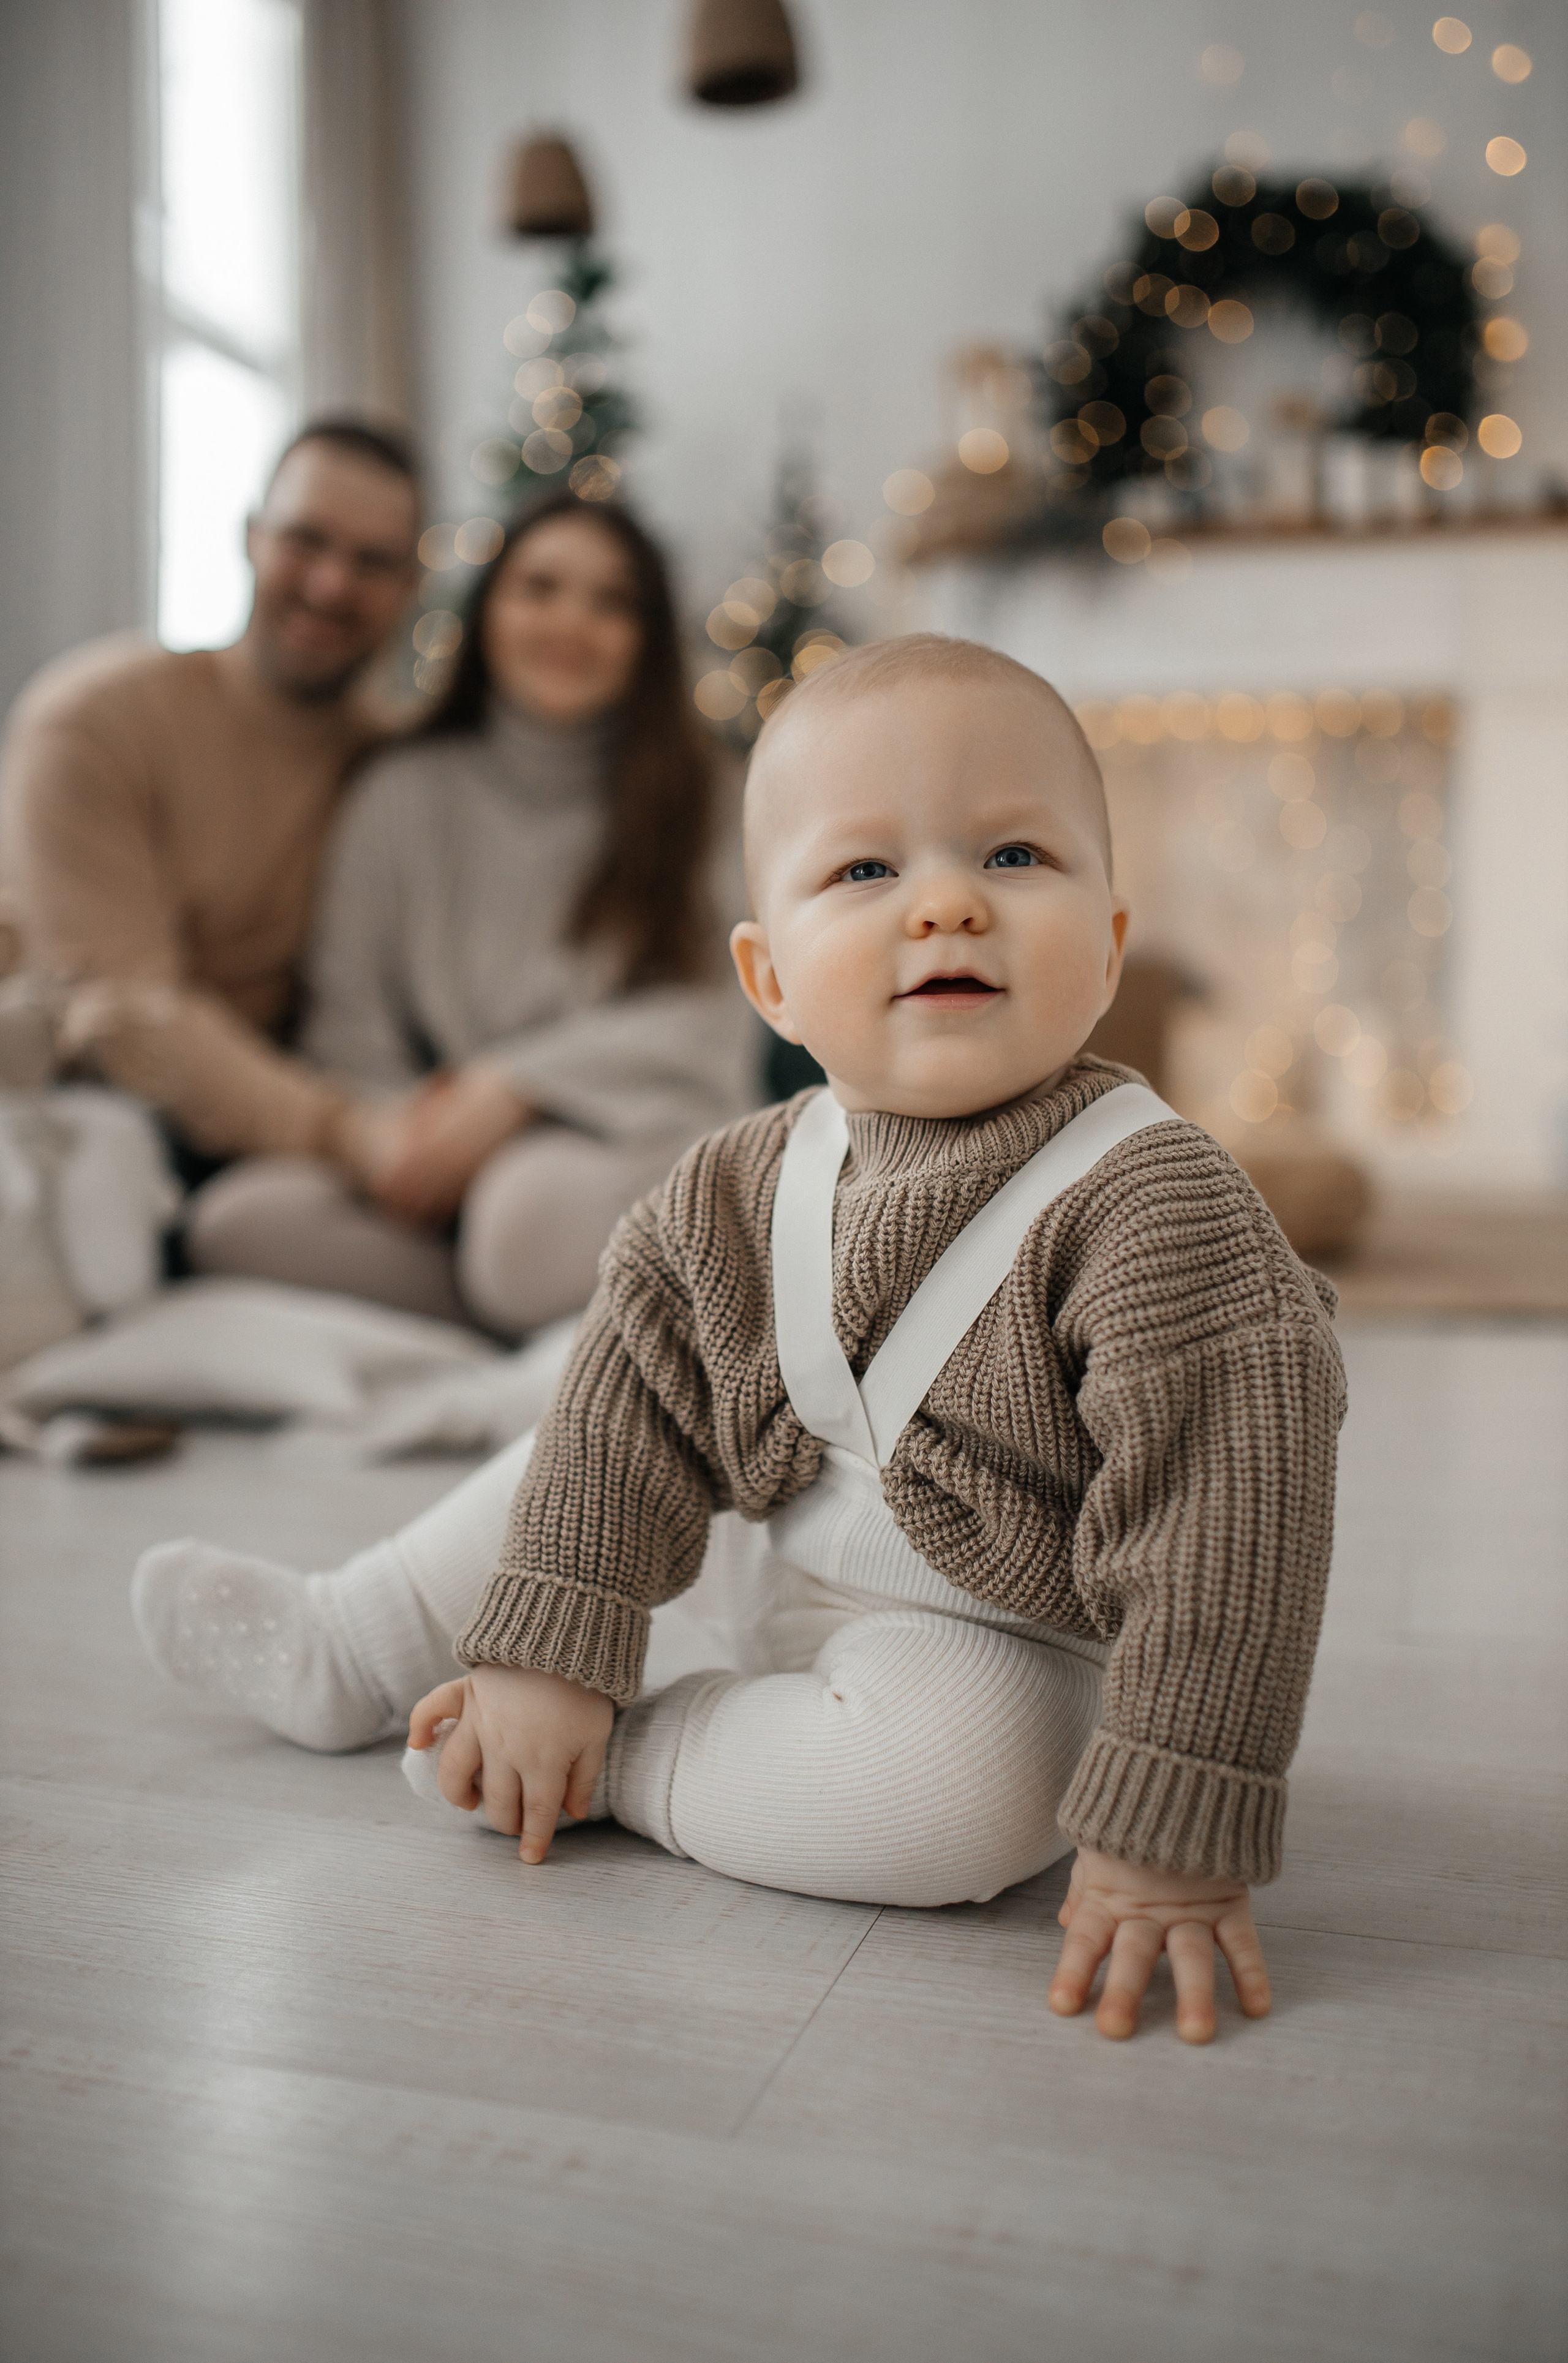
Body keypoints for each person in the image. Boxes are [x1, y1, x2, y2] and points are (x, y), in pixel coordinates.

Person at [133, 633, 1346, 2045]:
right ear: (768, 982)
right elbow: (624, 1420)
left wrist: (1172, 1814)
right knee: (565, 1446)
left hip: (993, 1635)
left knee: (954, 1803)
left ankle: (628, 1756)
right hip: (749, 1544)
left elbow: (1227, 1536)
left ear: (1110, 945)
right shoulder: (728, 1182)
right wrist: (547, 1644)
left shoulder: (1161, 1208)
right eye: (864, 872)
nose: (946, 905)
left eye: (1014, 857)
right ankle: (361, 1639)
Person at [182, 494, 758, 1337]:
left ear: (648, 638)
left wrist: (513, 1089)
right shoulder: (401, 792)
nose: (571, 621)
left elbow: (713, 1018)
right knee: (236, 1221)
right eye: (541, 587)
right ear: (487, 609)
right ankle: (513, 1310)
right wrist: (406, 1137)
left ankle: (520, 1289)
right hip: (447, 1156)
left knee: (523, 1223)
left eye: (612, 602)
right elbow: (349, 1026)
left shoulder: (705, 793)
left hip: (633, 1136)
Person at [0, 421, 422, 1170]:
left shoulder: (396, 766)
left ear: (410, 588)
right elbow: (124, 1013)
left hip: (278, 1124)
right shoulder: (92, 722)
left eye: (373, 562)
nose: (331, 585)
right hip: (81, 1113)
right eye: (307, 542)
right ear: (252, 538)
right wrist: (353, 1135)